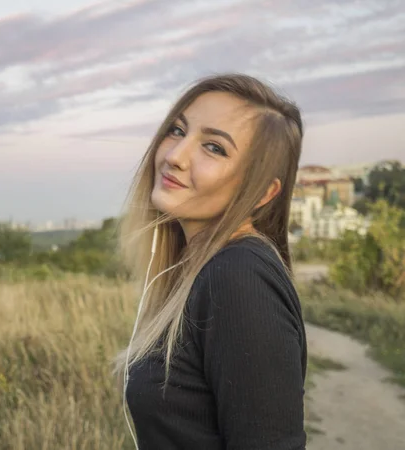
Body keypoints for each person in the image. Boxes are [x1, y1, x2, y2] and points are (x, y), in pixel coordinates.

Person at [113, 73, 308, 450]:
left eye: (215, 148)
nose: (174, 156)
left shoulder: (238, 276)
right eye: (177, 130)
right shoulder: (201, 270)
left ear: (263, 192)